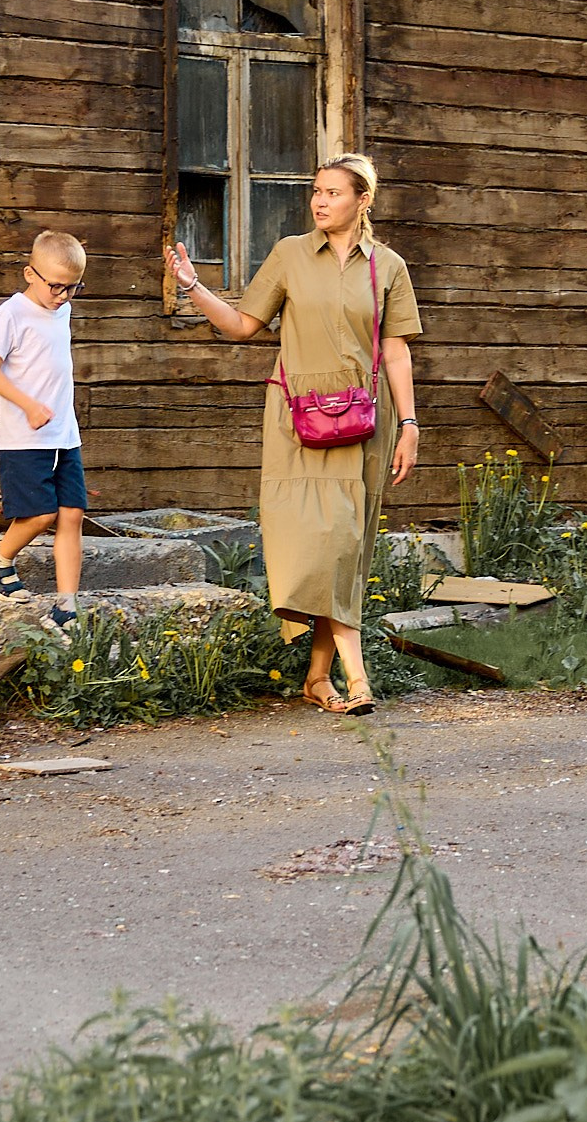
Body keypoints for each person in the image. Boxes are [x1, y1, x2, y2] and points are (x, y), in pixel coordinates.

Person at [164, 154, 422, 715]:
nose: (320, 201)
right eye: (316, 191)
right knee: (317, 547)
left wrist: (409, 423)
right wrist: (194, 288)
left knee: (347, 549)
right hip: (298, 422)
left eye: (333, 192)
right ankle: (358, 679)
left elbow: (396, 351)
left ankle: (319, 677)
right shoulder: (288, 255)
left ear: (363, 200)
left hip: (364, 423)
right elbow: (242, 325)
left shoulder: (389, 267)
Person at [0, 229, 88, 631]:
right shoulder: (11, 313)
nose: (62, 295)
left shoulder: (63, 309)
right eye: (55, 286)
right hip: (25, 437)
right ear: (29, 274)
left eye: (72, 288)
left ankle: (67, 605)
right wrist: (29, 405)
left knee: (72, 513)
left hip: (64, 435)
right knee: (40, 515)